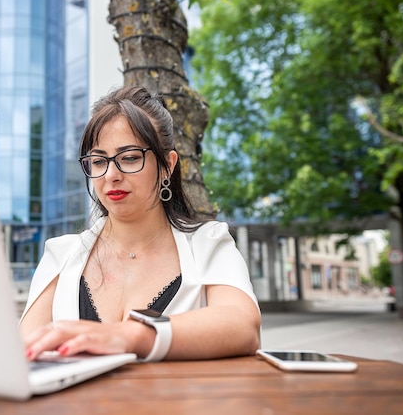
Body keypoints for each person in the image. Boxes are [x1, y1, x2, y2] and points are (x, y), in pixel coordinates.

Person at [20, 85, 261, 362]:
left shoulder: (208, 244)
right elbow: (24, 353)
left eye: (130, 158)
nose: (111, 175)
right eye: (99, 161)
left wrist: (132, 337)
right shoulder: (61, 255)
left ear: (167, 165)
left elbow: (243, 326)